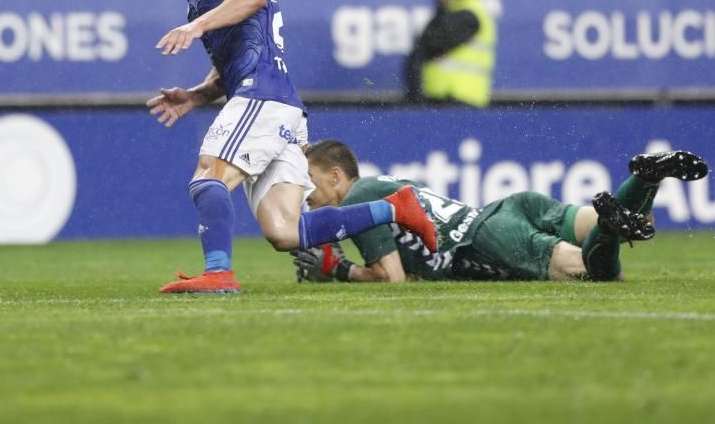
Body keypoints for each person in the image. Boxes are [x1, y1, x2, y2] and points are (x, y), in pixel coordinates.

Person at [148, 0, 434, 294]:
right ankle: (396, 208)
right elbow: (240, 55)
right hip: (277, 103)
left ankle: (218, 273)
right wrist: (196, 95)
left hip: (262, 97)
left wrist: (195, 26)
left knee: (208, 175)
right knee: (284, 230)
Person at [292, 140, 709, 284]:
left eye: (308, 179)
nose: (304, 193)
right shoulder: (378, 184)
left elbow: (394, 279)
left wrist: (339, 270)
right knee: (611, 251)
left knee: (597, 271)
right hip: (506, 212)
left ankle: (617, 220)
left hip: (488, 239)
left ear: (334, 175)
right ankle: (646, 178)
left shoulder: (357, 204)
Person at [404, 0, 496, 108]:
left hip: (458, 98)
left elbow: (429, 44)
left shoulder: (467, 15)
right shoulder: (467, 10)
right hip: (454, 99)